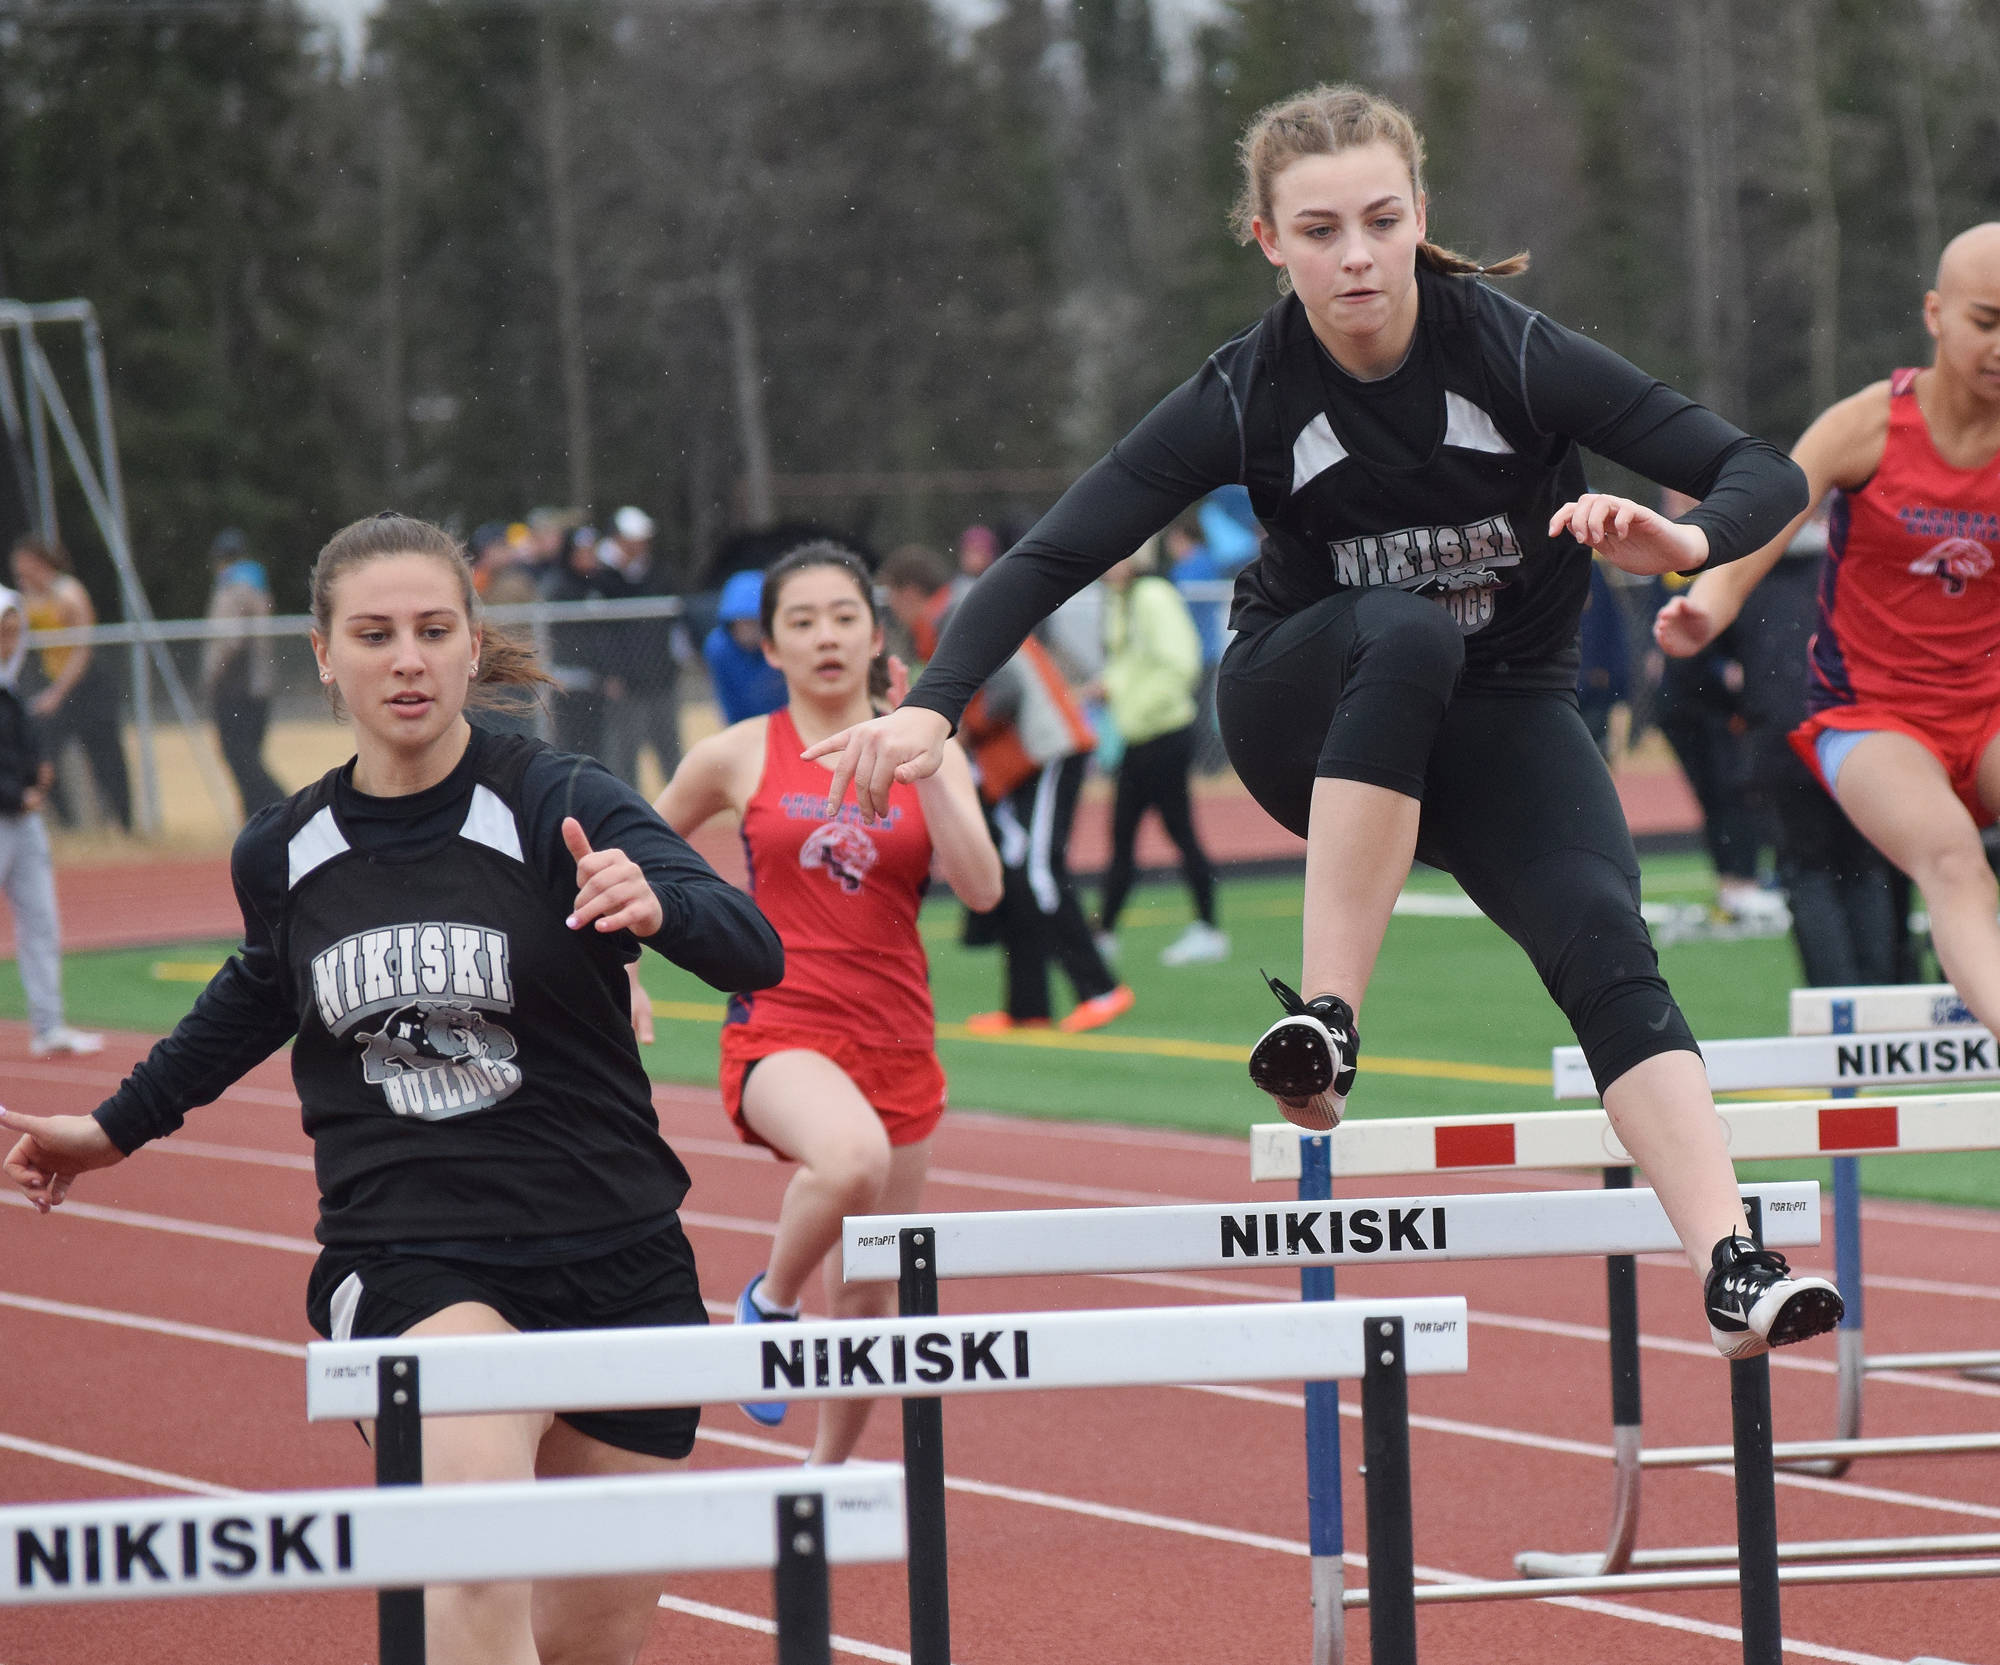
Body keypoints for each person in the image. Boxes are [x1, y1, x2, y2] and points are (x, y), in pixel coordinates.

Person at [804, 83, 1842, 1360]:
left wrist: (1679, 540)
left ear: (1419, 218)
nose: (1353, 256)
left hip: (1502, 712)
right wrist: (936, 711)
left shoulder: (1512, 352)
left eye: (1378, 221)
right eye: (1316, 231)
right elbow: (1049, 554)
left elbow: (1768, 472)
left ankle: (1728, 1264)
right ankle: (1327, 1025)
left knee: (1606, 945)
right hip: (1305, 703)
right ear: (1266, 240)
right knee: (1402, 623)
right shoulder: (1244, 392)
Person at [0, 512, 783, 1665]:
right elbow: (257, 993)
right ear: (322, 654)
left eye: (431, 630)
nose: (405, 659)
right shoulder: (286, 849)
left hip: (617, 1249)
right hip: (415, 1255)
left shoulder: (557, 802)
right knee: (471, 1564)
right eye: (373, 634)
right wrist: (114, 1128)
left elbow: (751, 949)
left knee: (590, 1645)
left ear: (474, 646)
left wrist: (663, 907)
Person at [642, 541, 1000, 1461]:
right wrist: (626, 965)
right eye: (800, 622)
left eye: (843, 616)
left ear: (877, 634)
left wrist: (929, 755)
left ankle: (827, 1474)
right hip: (782, 1027)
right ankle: (769, 1300)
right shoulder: (733, 755)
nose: (825, 637)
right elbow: (626, 853)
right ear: (771, 646)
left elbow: (984, 888)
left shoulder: (928, 747)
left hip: (898, 1036)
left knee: (873, 1289)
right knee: (848, 1161)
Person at [1656, 222, 2000, 1020]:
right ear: (1935, 313)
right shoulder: (1870, 425)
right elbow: (1767, 520)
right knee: (1953, 863)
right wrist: (1707, 606)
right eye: (1986, 321)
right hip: (1872, 718)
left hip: (1986, 710)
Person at [878, 544, 1132, 1034]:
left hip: (1047, 750)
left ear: (911, 593)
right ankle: (1027, 1008)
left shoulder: (952, 614)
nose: (894, 610)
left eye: (894, 598)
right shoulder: (959, 610)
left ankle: (1101, 989)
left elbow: (1006, 693)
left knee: (1036, 871)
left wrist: (953, 731)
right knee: (1016, 876)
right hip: (1020, 763)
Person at [1091, 538, 1227, 966]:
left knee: (1179, 831)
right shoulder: (1122, 599)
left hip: (1164, 733)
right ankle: (1105, 933)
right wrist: (1109, 689)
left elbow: (1179, 662)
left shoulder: (1153, 596)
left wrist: (1141, 707)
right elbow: (1129, 664)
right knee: (1123, 835)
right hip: (1139, 736)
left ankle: (1208, 928)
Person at [0, 585, 102, 1058]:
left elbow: (26, 746)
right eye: (3, 631)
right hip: (6, 816)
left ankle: (48, 1025)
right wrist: (15, 792)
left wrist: (38, 776)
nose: (10, 641)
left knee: (40, 920)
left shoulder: (11, 690)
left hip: (24, 823)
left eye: (15, 632)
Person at [9, 536, 132, 832]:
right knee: (41, 751)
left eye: (24, 569)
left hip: (88, 683)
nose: (20, 576)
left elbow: (83, 649)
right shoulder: (29, 599)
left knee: (105, 754)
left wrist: (58, 692)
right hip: (58, 686)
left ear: (40, 563)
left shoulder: (69, 593)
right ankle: (68, 824)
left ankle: (124, 823)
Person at [598, 505, 686, 791]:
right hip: (625, 681)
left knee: (668, 746)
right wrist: (610, 672)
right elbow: (598, 634)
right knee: (625, 752)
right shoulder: (601, 575)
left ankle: (682, 804)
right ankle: (626, 805)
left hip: (659, 675)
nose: (641, 545)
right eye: (634, 538)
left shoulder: (656, 572)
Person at [201, 528, 285, 818]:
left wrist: (212, 675)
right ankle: (258, 817)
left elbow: (230, 642)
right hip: (258, 686)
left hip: (235, 688)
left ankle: (280, 806)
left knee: (241, 758)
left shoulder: (234, 588)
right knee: (248, 756)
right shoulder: (258, 584)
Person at [702, 568, 787, 725]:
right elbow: (725, 698)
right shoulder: (718, 648)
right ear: (730, 623)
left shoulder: (783, 644)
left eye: (755, 622)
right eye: (742, 623)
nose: (750, 630)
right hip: (742, 723)